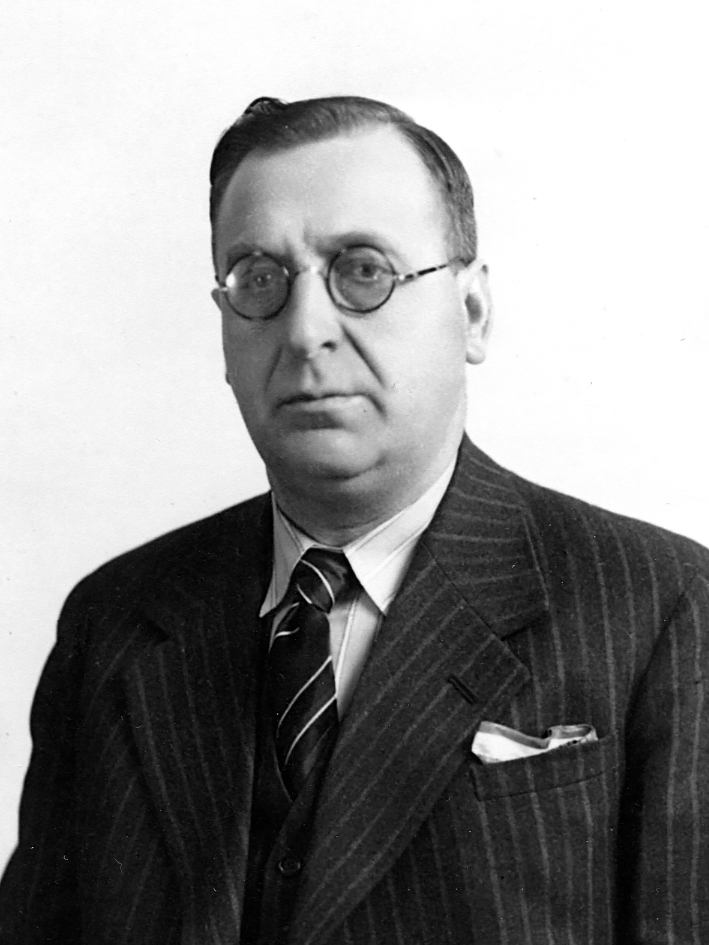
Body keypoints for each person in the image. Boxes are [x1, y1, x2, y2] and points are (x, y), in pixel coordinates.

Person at [1, 95, 707, 945]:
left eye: (363, 271)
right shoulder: (114, 619)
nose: (305, 333)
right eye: (259, 278)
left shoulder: (660, 605)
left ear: (472, 312)